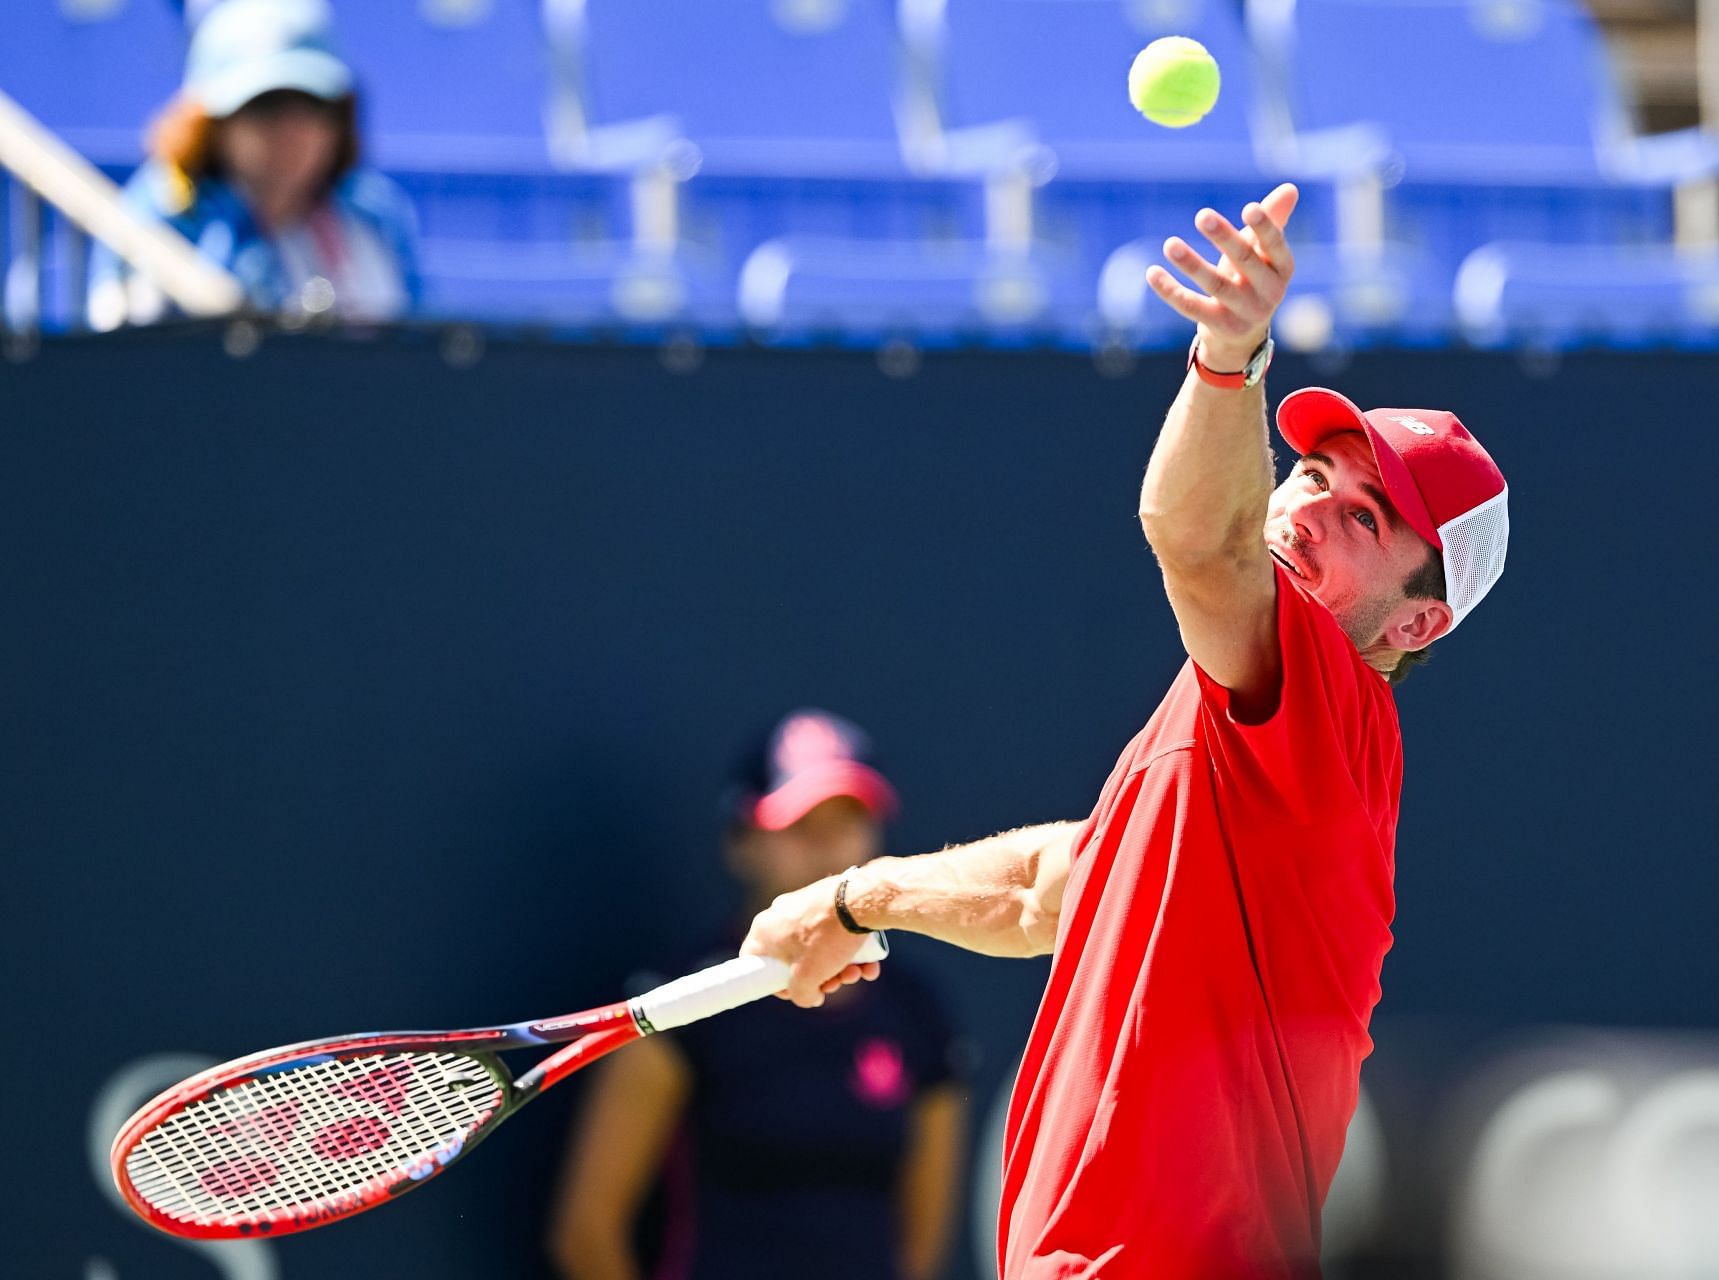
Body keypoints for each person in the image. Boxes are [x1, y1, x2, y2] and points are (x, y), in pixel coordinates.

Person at [740, 184, 1510, 1278]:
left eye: (1363, 516)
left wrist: (1228, 356)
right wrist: (856, 898)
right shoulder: (1234, 733)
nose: (1306, 506)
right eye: (1313, 474)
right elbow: (1057, 886)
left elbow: (1201, 542)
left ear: (1417, 619)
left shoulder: (1329, 701)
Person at [549, 709, 969, 1280]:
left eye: (846, 822)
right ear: (741, 843)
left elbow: (919, 1253)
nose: (826, 850)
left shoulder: (919, 1014)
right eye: (800, 825)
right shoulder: (675, 1004)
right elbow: (587, 1233)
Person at [89, 0, 418, 329]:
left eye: (314, 104)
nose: (293, 129)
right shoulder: (165, 216)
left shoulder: (375, 214)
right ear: (212, 124)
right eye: (266, 105)